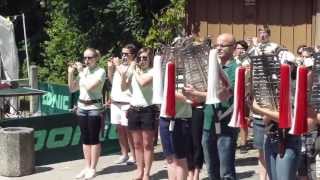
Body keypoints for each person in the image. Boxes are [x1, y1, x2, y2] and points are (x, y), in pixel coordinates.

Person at [186, 33, 239, 179]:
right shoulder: (210, 67)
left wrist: (196, 93)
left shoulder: (236, 69)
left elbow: (223, 95)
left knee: (226, 172)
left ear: (233, 48)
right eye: (217, 45)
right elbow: (204, 92)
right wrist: (192, 92)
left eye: (223, 45)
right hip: (208, 123)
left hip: (226, 124)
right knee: (211, 170)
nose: (219, 48)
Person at [248, 25, 280, 180]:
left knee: (272, 145)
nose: (262, 35)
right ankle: (262, 177)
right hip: (258, 99)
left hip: (272, 100)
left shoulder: (275, 48)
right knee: (260, 147)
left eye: (264, 33)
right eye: (259, 32)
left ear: (269, 34)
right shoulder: (254, 49)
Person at [68, 48, 106, 179]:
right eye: (85, 58)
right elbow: (72, 89)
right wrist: (70, 74)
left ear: (96, 58)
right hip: (82, 107)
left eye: (89, 58)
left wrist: (80, 72)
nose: (86, 60)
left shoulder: (100, 72)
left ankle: (93, 168)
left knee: (93, 138)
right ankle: (86, 166)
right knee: (85, 138)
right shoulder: (83, 72)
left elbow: (90, 87)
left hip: (94, 107)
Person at [121, 47, 156, 180]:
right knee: (137, 144)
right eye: (140, 58)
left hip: (148, 110)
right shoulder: (135, 71)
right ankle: (139, 171)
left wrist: (133, 69)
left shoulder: (153, 71)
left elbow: (143, 83)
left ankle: (147, 173)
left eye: (145, 58)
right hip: (133, 109)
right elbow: (123, 87)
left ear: (150, 59)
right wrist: (124, 73)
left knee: (147, 144)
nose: (142, 60)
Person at [159, 51, 192, 180]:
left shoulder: (188, 72)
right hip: (165, 117)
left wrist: (182, 96)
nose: (173, 57)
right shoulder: (166, 69)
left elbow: (188, 93)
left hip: (180, 118)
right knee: (169, 158)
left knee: (180, 158)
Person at [107, 44, 137, 165]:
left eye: (126, 54)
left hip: (126, 103)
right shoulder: (120, 67)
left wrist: (117, 65)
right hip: (115, 102)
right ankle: (124, 154)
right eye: (122, 54)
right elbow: (111, 81)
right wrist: (110, 68)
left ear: (133, 55)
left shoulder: (133, 66)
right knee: (119, 129)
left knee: (129, 130)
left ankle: (133, 155)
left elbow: (126, 79)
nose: (123, 56)